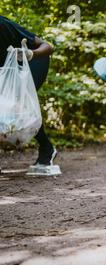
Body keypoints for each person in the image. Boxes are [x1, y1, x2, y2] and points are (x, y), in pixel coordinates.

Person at [0, 15, 59, 176]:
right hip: (6, 72)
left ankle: (48, 150)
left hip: (32, 63)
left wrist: (31, 54)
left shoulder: (3, 24)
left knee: (19, 103)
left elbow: (47, 46)